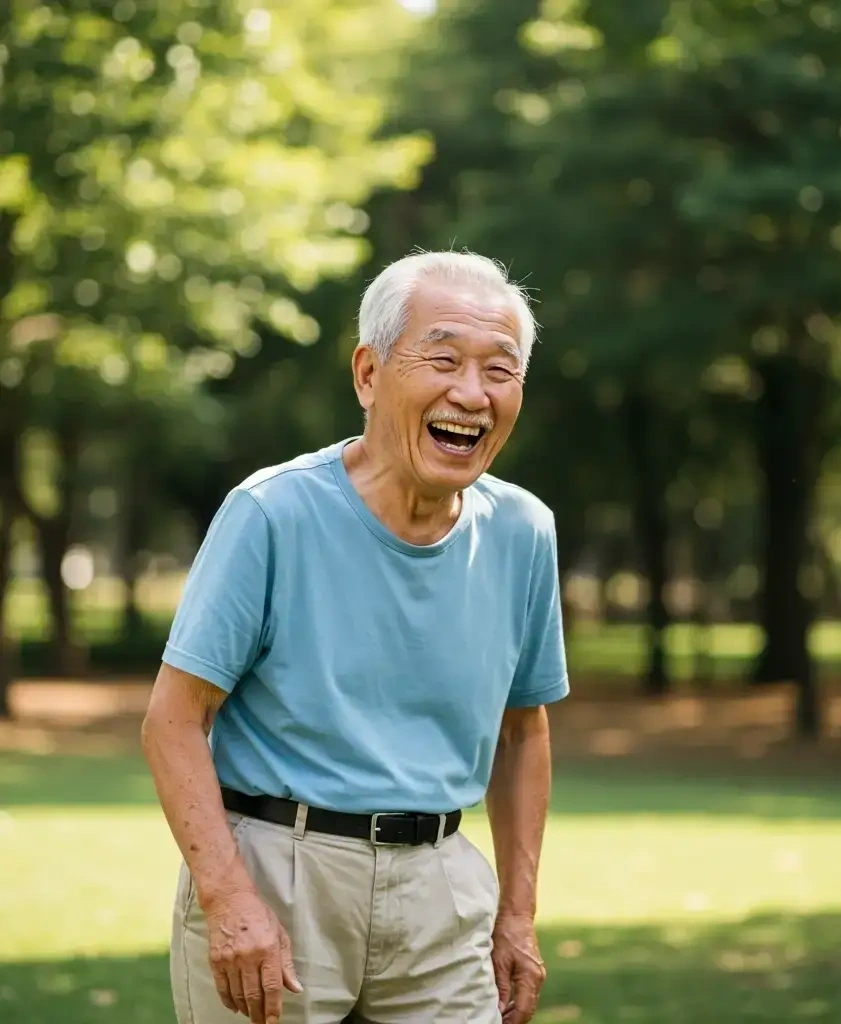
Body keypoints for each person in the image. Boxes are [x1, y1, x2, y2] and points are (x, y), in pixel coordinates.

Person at [141, 250, 570, 1024]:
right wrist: (230, 897)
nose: (470, 394)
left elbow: (521, 732)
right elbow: (173, 720)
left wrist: (517, 912)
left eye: (499, 370)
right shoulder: (272, 514)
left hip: (443, 886)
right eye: (442, 360)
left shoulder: (524, 531)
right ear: (369, 375)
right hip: (281, 872)